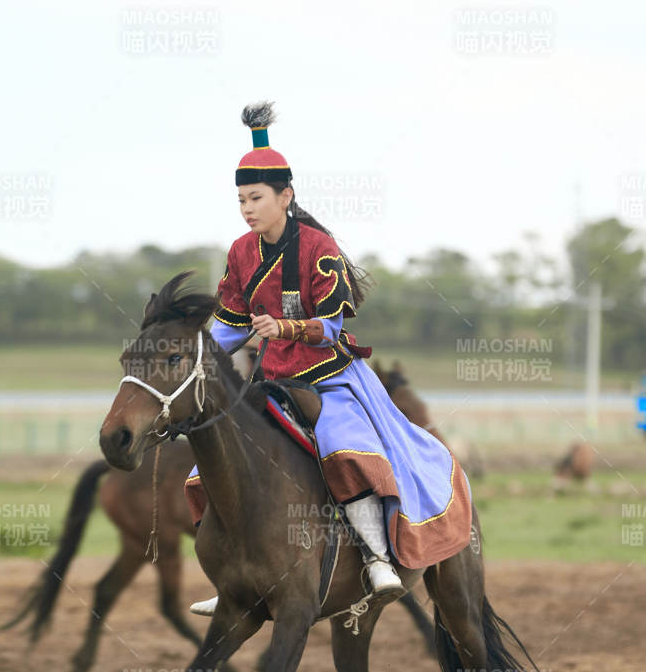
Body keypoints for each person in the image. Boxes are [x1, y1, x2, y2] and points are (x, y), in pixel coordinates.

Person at [188, 102, 472, 617]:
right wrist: (198, 355)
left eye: (255, 198)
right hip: (268, 381)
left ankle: (378, 558)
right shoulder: (240, 252)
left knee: (344, 449)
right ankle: (234, 577)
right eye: (241, 200)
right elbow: (230, 325)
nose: (247, 208)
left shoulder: (318, 249)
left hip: (329, 378)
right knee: (208, 463)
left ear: (285, 197)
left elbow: (334, 326)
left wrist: (285, 327)